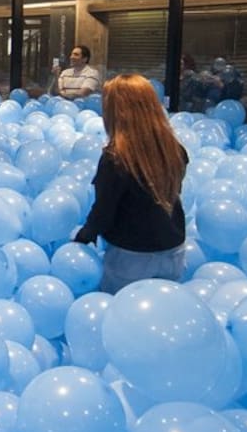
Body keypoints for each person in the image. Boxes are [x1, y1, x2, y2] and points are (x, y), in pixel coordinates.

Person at [74, 73, 189, 294]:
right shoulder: (174, 149)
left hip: (132, 256)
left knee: (122, 317)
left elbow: (104, 211)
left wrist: (83, 237)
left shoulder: (116, 157)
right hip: (173, 250)